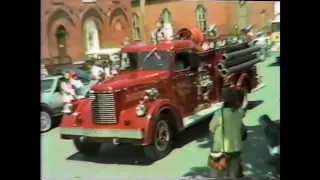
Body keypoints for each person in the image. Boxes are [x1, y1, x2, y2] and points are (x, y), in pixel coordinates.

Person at [208, 88, 247, 178]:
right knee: (233, 175)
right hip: (236, 149)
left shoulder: (219, 113)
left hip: (220, 150)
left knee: (218, 176)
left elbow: (211, 128)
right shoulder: (239, 113)